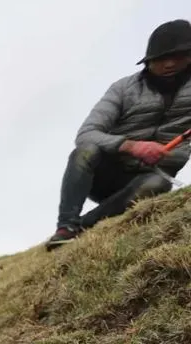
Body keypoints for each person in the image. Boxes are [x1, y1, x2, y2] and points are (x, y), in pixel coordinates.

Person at [45, 19, 191, 250]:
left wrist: (165, 156)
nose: (170, 63)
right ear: (149, 61)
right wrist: (133, 147)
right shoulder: (123, 89)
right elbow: (86, 134)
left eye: (180, 55)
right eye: (162, 58)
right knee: (85, 152)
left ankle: (85, 226)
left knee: (158, 183)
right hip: (106, 173)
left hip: (147, 179)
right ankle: (66, 226)